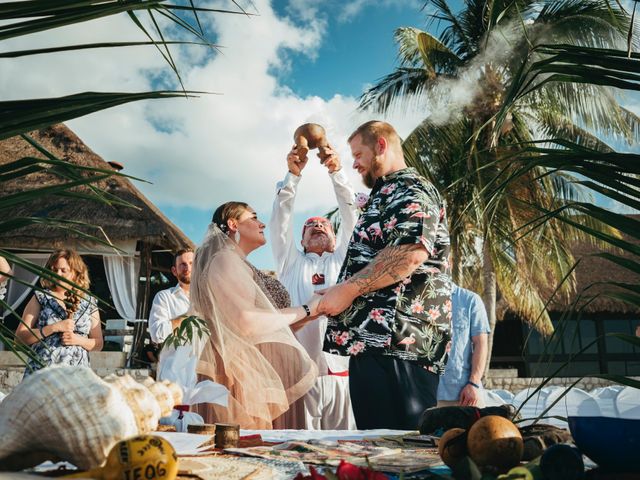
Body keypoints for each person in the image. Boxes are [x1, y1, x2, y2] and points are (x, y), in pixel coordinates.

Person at [320, 121, 452, 430]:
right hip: (374, 343)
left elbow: (411, 252)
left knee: (403, 453)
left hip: (399, 343)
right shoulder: (386, 193)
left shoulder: (410, 188)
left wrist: (349, 290)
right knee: (378, 451)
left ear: (381, 146)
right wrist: (340, 290)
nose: (354, 163)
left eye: (358, 154)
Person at [191, 201, 320, 429]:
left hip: (267, 374)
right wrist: (306, 309)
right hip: (248, 376)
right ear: (233, 224)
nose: (261, 224)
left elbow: (266, 326)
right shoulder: (224, 259)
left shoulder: (237, 262)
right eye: (253, 217)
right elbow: (246, 321)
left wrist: (311, 314)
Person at [269, 143, 358, 430]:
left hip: (342, 371)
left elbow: (351, 216)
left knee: (347, 448)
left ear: (335, 237)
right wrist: (292, 177)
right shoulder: (290, 262)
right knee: (300, 447)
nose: (318, 226)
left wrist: (336, 173)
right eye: (310, 225)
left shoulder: (345, 259)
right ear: (303, 240)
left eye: (324, 225)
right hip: (299, 371)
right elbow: (280, 224)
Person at [16, 249, 103, 376]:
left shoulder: (89, 302)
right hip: (43, 374)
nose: (58, 274)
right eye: (54, 270)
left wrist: (78, 340)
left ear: (76, 272)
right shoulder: (41, 297)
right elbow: (20, 337)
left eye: (63, 270)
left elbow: (98, 343)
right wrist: (53, 328)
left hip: (77, 376)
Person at [437, 283, 490, 407]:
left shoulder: (470, 300)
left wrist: (474, 384)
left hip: (464, 395)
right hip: (423, 394)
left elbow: (481, 344)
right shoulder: (416, 300)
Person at [148, 249, 194, 345]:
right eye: (183, 264)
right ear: (174, 271)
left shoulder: (209, 296)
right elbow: (157, 335)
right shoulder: (164, 297)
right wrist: (189, 317)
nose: (188, 268)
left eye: (191, 263)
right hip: (178, 359)